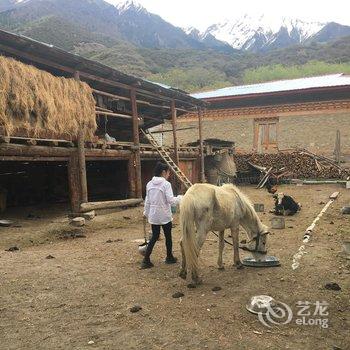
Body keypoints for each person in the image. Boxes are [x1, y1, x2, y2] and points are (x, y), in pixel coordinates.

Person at [141, 162, 182, 269]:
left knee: (154, 236)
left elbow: (147, 201)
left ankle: (145, 260)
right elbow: (171, 200)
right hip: (164, 215)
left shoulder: (149, 184)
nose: (169, 175)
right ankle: (169, 257)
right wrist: (181, 198)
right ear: (163, 172)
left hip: (154, 215)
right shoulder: (166, 184)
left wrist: (145, 213)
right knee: (168, 236)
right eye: (168, 172)